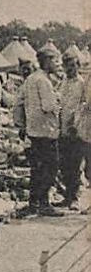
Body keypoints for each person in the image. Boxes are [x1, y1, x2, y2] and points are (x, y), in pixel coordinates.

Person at [19, 48, 61, 216]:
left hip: (34, 131)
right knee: (51, 167)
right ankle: (43, 203)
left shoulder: (30, 79)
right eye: (53, 61)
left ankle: (34, 203)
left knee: (36, 169)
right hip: (46, 131)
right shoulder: (43, 81)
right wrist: (59, 101)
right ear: (46, 61)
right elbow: (49, 106)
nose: (55, 64)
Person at [59, 51, 89, 210]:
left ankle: (75, 197)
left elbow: (82, 106)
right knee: (64, 164)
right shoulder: (63, 82)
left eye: (72, 66)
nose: (70, 69)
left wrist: (74, 124)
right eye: (67, 66)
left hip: (75, 129)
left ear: (77, 66)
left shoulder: (81, 84)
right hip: (62, 128)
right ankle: (67, 196)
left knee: (75, 164)